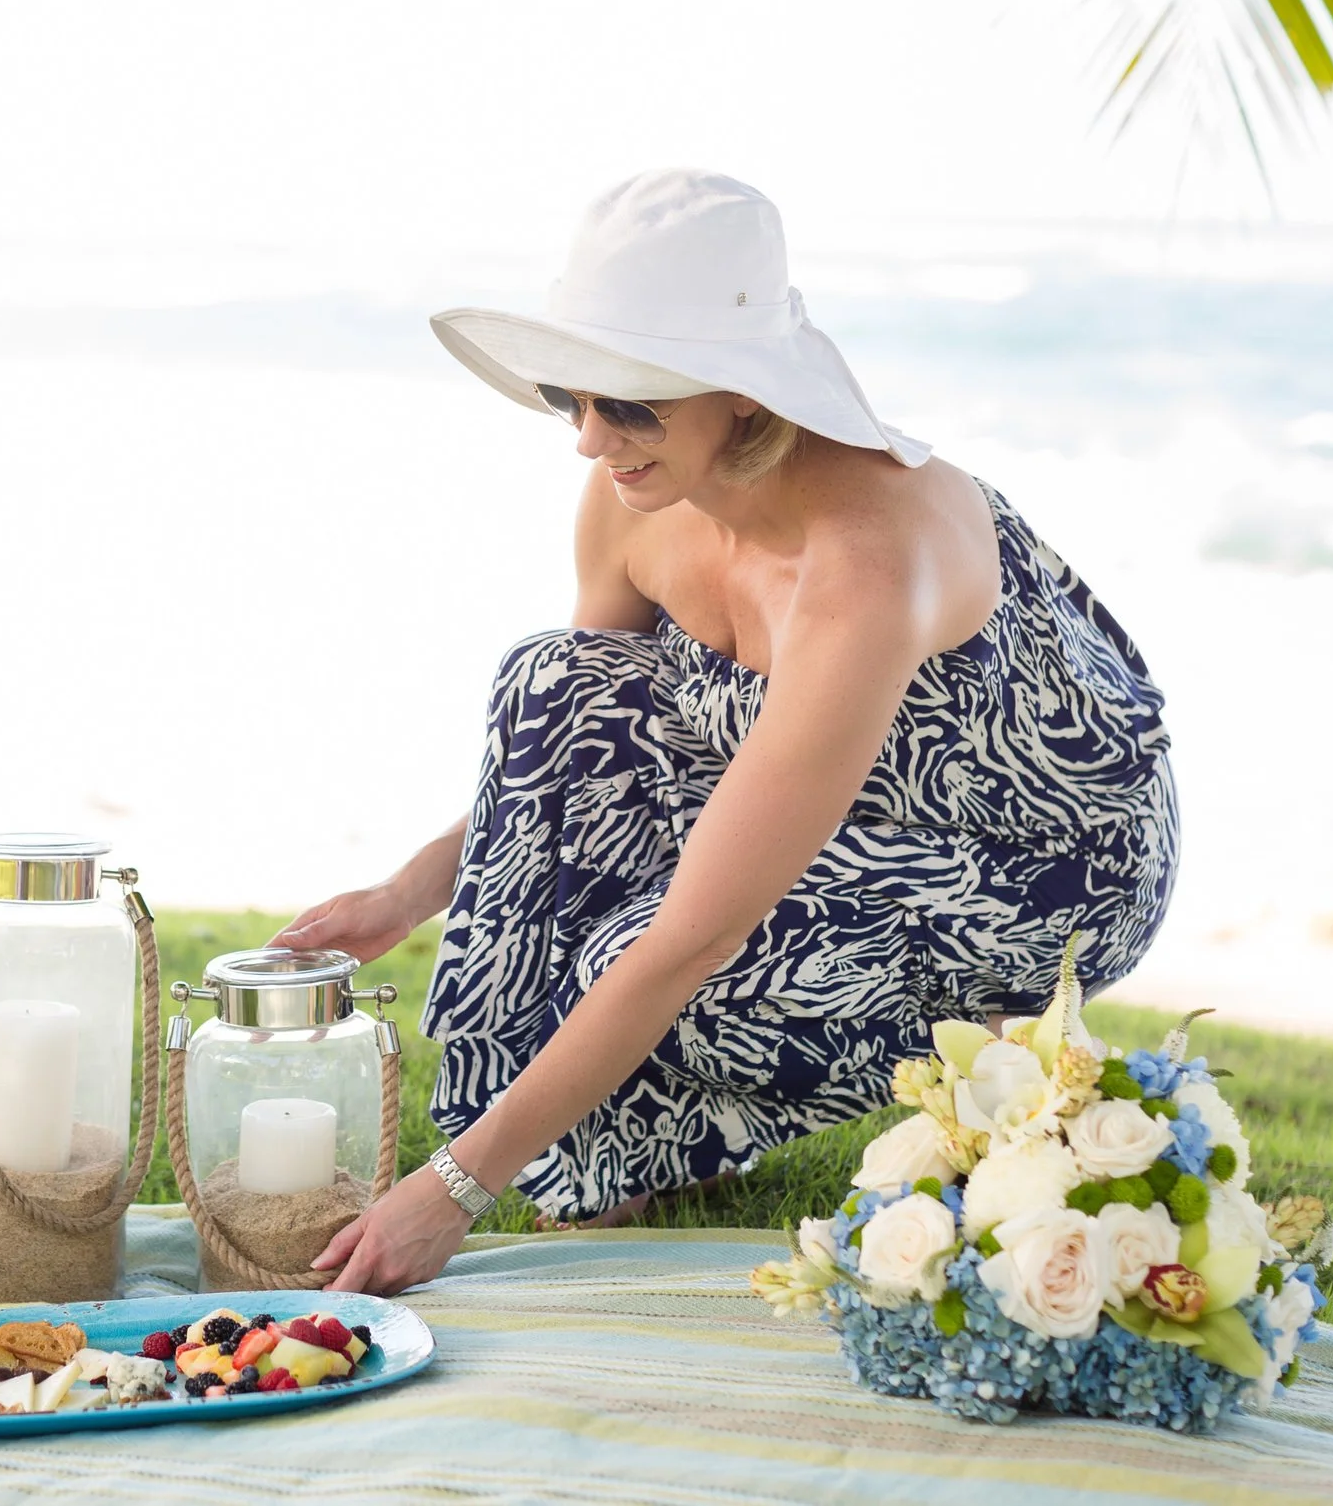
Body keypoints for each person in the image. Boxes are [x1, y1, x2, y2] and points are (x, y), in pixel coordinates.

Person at [280, 169, 1178, 1296]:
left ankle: (1006, 1056)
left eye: (629, 405)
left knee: (652, 958)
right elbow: (563, 767)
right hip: (829, 800)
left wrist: (453, 1190)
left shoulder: (862, 563)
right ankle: (604, 1142)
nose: (589, 439)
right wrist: (404, 895)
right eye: (569, 396)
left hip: (1047, 864)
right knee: (553, 679)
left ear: (745, 397)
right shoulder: (635, 496)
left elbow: (695, 935)